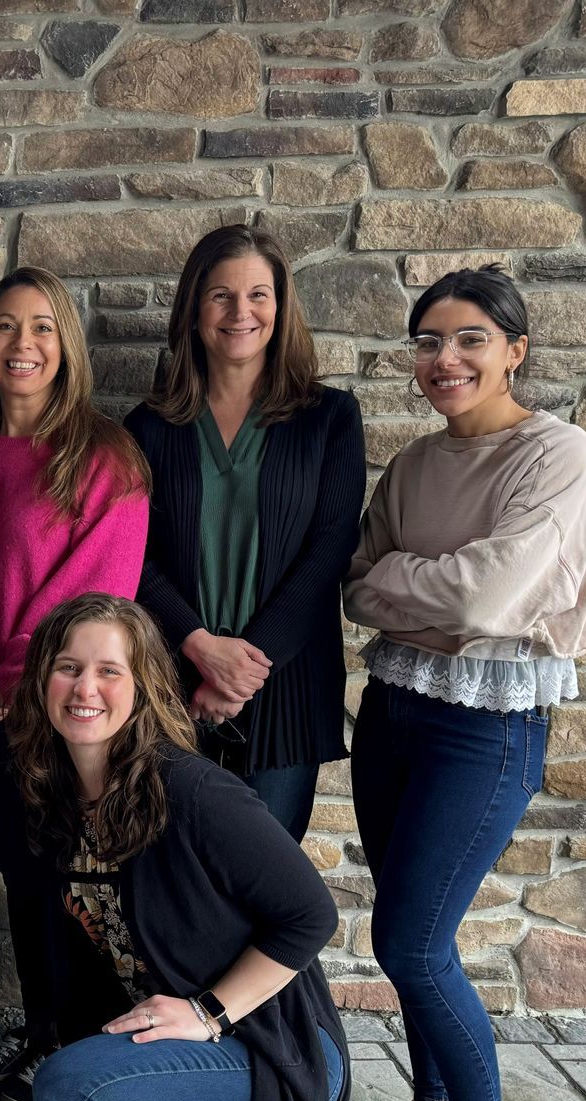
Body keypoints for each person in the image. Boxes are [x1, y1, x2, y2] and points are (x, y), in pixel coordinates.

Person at [0, 594, 348, 1101]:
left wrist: (210, 1011)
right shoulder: (54, 795)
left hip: (269, 1048)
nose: (84, 687)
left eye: (107, 670)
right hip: (177, 1053)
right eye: (67, 667)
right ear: (41, 683)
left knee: (68, 1093)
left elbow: (310, 915)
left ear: (143, 682)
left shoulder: (191, 790)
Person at [341, 265, 586, 1101]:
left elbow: (494, 596)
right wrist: (434, 591)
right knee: (400, 916)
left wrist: (422, 586)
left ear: (514, 351)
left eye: (468, 340)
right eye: (427, 342)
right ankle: (432, 1098)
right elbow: (359, 584)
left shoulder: (555, 453)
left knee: (414, 940)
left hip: (488, 727)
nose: (444, 360)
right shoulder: (412, 466)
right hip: (397, 707)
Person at [0, 266, 150, 1101]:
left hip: (57, 715)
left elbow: (97, 593)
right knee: (27, 877)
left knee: (68, 878)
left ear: (68, 348)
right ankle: (50, 1040)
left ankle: (82, 1052)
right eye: (6, 327)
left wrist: (16, 679)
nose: (24, 345)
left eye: (44, 328)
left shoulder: (104, 459)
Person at [132, 225, 365, 842]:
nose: (242, 313)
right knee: (179, 885)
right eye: (221, 296)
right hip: (174, 689)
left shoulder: (329, 418)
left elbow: (331, 549)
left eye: (259, 295)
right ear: (193, 309)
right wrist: (201, 649)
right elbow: (134, 559)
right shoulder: (149, 427)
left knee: (269, 898)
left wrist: (244, 670)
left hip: (286, 690)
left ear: (282, 308)